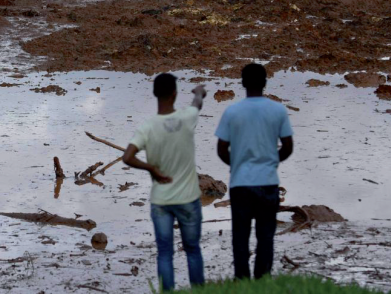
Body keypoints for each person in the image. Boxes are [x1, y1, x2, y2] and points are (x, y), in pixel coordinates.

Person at [123, 73, 207, 292]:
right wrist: (199, 91)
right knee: (193, 250)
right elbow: (197, 103)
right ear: (175, 93)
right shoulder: (187, 117)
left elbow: (127, 157)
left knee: (164, 253)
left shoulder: (147, 127)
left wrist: (151, 168)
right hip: (188, 199)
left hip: (161, 201)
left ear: (154, 94)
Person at [215, 63, 294, 280]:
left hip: (240, 184)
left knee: (240, 237)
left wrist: (237, 163)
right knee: (266, 236)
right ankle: (263, 281)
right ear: (265, 82)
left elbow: (221, 149)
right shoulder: (277, 110)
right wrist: (270, 162)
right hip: (267, 183)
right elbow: (288, 147)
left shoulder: (232, 112)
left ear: (242, 83)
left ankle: (242, 281)